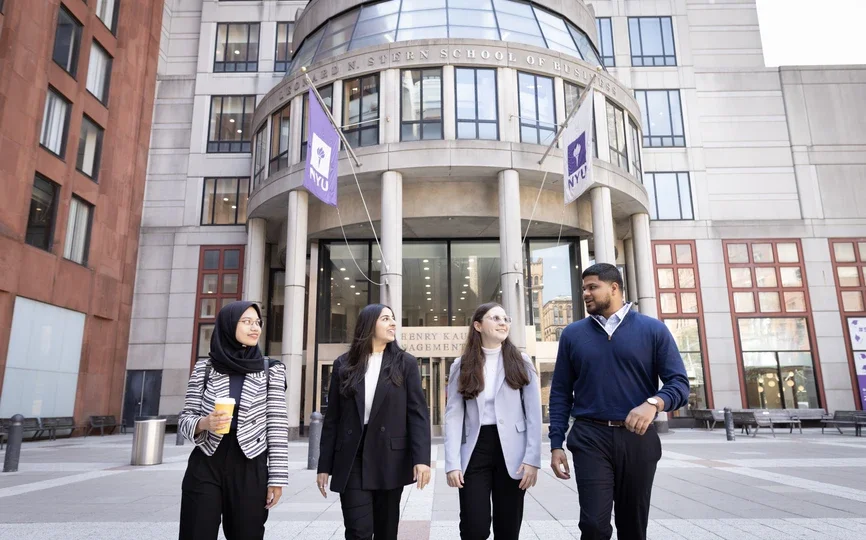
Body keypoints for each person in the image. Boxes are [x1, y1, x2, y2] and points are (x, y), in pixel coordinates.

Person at [548, 263, 689, 540]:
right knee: (593, 525)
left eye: (592, 287)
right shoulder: (573, 335)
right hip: (590, 437)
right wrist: (556, 443)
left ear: (614, 288)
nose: (585, 293)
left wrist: (654, 403)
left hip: (638, 439)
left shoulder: (653, 330)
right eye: (584, 288)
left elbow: (679, 384)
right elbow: (561, 392)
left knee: (633, 527)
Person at [316, 304, 432, 540]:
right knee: (358, 531)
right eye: (386, 319)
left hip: (390, 457)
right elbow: (333, 419)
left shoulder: (405, 363)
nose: (393, 324)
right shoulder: (343, 364)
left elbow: (417, 414)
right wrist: (324, 466)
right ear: (369, 324)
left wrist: (421, 459)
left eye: (393, 319)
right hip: (352, 457)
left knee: (386, 531)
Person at [177, 301, 289, 540]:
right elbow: (185, 419)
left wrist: (277, 479)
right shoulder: (204, 368)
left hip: (250, 464)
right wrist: (204, 423)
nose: (255, 328)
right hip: (207, 462)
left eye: (257, 322)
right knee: (196, 532)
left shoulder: (271, 370)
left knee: (246, 534)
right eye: (246, 322)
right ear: (228, 325)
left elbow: (277, 426)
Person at [443, 302, 542, 540]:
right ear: (478, 325)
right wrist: (452, 463)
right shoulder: (462, 364)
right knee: (473, 527)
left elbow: (533, 414)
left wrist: (532, 460)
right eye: (495, 318)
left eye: (505, 319)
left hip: (513, 452)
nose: (502, 323)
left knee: (508, 528)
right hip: (475, 449)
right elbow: (453, 415)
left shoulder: (521, 361)